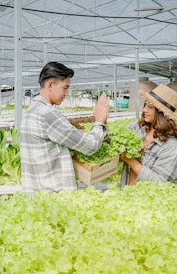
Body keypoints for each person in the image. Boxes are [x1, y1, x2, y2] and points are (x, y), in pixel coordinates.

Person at [20, 62, 110, 193]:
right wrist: (99, 122)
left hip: (38, 194)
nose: (67, 93)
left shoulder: (30, 111)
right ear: (50, 84)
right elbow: (91, 146)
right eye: (65, 88)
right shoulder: (48, 114)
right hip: (53, 196)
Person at [119, 84, 177, 186]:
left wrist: (129, 160)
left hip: (152, 200)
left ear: (160, 113)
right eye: (145, 105)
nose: (144, 110)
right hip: (127, 194)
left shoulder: (170, 145)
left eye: (150, 107)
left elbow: (159, 181)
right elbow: (116, 147)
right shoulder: (136, 127)